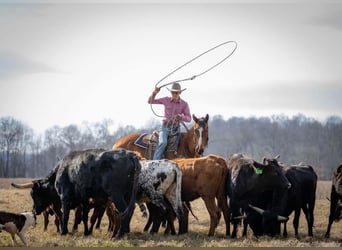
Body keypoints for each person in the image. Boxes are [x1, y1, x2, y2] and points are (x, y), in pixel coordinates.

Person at [148, 82, 191, 160]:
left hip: (176, 130)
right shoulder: (166, 100)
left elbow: (189, 118)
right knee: (163, 142)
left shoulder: (184, 104)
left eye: (176, 92)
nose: (174, 94)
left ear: (180, 93)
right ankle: (155, 162)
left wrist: (181, 117)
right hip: (165, 128)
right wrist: (155, 93)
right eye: (172, 92)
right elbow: (150, 101)